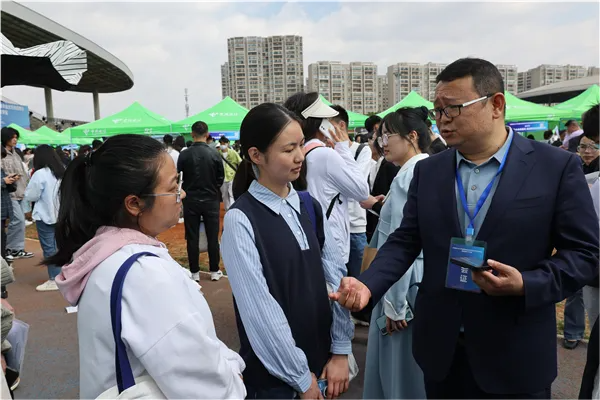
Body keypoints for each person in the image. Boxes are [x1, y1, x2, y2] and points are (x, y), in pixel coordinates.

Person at [330, 58, 600, 400]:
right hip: (442, 349)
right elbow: (405, 240)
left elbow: (584, 254)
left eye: (453, 108)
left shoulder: (555, 167)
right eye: (437, 110)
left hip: (515, 352)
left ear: (496, 105)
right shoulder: (430, 172)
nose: (442, 120)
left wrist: (526, 283)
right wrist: (368, 285)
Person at [49, 134, 245, 399]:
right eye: (174, 185)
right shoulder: (144, 275)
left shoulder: (108, 255)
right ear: (134, 204)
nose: (182, 193)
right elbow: (205, 385)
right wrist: (234, 373)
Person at [224, 103, 352, 400]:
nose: (299, 157)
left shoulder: (309, 206)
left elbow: (336, 280)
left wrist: (341, 350)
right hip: (277, 380)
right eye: (288, 149)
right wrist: (299, 376)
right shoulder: (241, 219)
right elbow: (260, 311)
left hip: (323, 365)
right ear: (256, 155)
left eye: (300, 146)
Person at [359, 107, 431, 400]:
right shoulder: (426, 169)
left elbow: (399, 242)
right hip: (417, 279)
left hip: (401, 286)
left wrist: (394, 304)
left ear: (412, 136)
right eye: (380, 136)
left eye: (388, 135)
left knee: (397, 371)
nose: (382, 143)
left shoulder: (408, 175)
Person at [284, 92, 370, 266]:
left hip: (307, 240)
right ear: (320, 124)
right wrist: (343, 148)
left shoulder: (297, 154)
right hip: (332, 245)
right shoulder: (325, 155)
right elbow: (361, 190)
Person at [177, 121, 225, 282]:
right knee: (213, 235)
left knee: (192, 236)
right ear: (207, 134)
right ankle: (214, 270)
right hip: (211, 199)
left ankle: (195, 272)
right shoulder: (214, 154)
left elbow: (179, 178)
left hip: (190, 200)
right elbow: (220, 177)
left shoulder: (184, 154)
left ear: (192, 134)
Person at [330, 105, 372, 282]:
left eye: (327, 126)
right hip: (333, 228)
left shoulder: (362, 150)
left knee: (359, 281)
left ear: (340, 126)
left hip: (355, 227)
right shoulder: (327, 152)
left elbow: (356, 189)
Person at [24, 145, 64, 292]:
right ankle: (63, 275)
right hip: (60, 215)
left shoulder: (40, 174)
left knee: (49, 248)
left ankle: (54, 278)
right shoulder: (61, 172)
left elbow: (31, 195)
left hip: (45, 215)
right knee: (60, 246)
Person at [1, 127, 33, 260]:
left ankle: (16, 248)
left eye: (16, 137)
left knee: (20, 221)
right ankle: (10, 248)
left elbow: (23, 172)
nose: (14, 140)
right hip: (8, 193)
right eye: (12, 137)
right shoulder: (2, 154)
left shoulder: (16, 153)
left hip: (20, 190)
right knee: (18, 220)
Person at [1, 147, 17, 264]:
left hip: (3, 208)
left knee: (2, 238)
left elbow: (9, 189)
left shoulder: (1, 169)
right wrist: (3, 181)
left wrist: (11, 180)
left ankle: (3, 262)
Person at [218, 136, 242, 211]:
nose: (222, 145)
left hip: (232, 176)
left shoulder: (233, 153)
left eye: (224, 143)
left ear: (227, 143)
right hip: (222, 177)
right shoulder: (218, 154)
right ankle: (227, 209)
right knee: (224, 195)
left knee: (231, 194)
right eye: (221, 143)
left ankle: (232, 209)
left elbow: (240, 162)